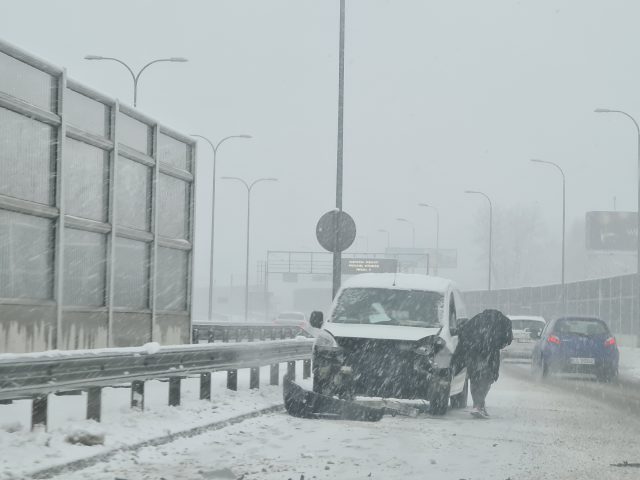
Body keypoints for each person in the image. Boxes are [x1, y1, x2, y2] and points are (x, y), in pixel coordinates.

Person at [457, 309, 512, 419]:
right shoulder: (504, 322)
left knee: (475, 379)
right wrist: (497, 345)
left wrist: (470, 346)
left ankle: (478, 405)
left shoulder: (476, 320)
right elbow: (508, 339)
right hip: (490, 355)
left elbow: (463, 333)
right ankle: (478, 406)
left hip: (474, 354)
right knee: (486, 380)